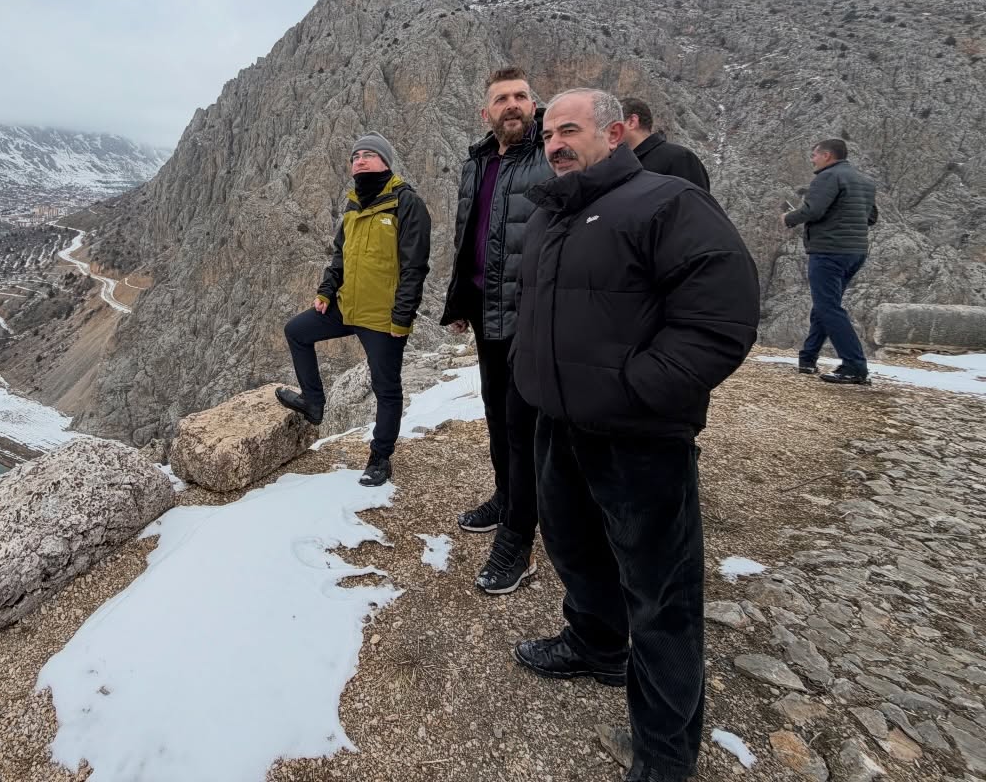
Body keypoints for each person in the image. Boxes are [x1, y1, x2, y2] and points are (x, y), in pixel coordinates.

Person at [510, 89, 760, 782]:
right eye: (548, 133)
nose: (555, 142)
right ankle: (596, 647)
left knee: (661, 594)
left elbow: (721, 318)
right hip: (559, 426)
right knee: (575, 550)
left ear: (615, 133)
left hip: (640, 439)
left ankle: (665, 752)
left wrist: (638, 389)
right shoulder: (556, 212)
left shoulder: (666, 202)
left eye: (570, 129)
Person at [439, 67, 552, 595]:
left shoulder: (549, 157)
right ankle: (507, 500)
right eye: (502, 99)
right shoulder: (478, 161)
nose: (512, 105)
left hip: (532, 317)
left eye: (521, 96)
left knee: (522, 428)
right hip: (488, 312)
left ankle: (518, 540)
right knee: (495, 416)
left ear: (534, 104)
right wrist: (461, 300)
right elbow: (471, 234)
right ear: (486, 112)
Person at [276, 132, 431, 486]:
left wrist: (402, 317)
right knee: (297, 332)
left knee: (386, 388)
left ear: (386, 162)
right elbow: (340, 256)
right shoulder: (353, 206)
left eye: (369, 154)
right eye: (355, 156)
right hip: (345, 307)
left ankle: (380, 457)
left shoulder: (407, 204)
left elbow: (414, 268)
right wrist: (326, 291)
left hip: (382, 318)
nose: (360, 160)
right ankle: (314, 403)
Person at [782, 138, 878, 385]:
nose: (812, 159)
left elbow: (813, 210)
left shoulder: (827, 177)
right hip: (855, 252)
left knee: (829, 308)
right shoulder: (864, 181)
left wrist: (789, 218)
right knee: (826, 305)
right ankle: (808, 358)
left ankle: (855, 366)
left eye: (814, 155)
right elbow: (871, 217)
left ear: (827, 155)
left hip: (829, 251)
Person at [619, 96, 711, 191]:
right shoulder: (620, 165)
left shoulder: (679, 158)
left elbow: (695, 203)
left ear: (632, 122)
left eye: (613, 124)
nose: (607, 131)